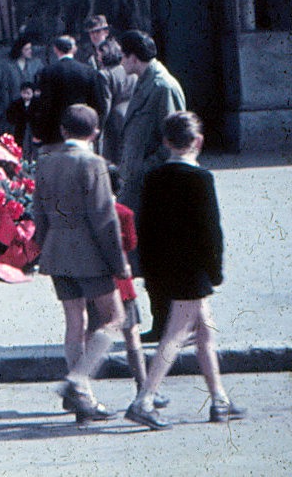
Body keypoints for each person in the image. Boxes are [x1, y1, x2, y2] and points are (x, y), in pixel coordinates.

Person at [125, 111, 245, 430]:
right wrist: (215, 271)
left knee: (205, 330)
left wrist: (148, 270)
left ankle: (219, 398)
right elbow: (211, 230)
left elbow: (144, 227)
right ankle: (145, 399)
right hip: (192, 270)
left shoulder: (154, 177)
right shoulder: (201, 179)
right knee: (177, 334)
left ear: (166, 142)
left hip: (162, 267)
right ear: (199, 141)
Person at [31, 104, 129, 422]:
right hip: (90, 253)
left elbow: (39, 212)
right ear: (95, 132)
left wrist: (43, 247)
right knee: (114, 318)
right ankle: (78, 380)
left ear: (63, 131)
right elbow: (104, 219)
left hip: (56, 250)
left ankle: (82, 398)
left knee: (75, 321)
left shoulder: (45, 163)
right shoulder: (94, 163)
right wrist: (119, 263)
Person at [113, 29, 188, 343]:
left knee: (159, 258)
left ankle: (173, 323)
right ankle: (165, 322)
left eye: (122, 55)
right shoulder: (145, 82)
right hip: (139, 186)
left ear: (133, 56)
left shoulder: (161, 86)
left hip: (155, 188)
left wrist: (142, 168)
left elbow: (175, 140)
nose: (120, 61)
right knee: (147, 257)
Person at [107, 162, 159, 411]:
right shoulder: (125, 213)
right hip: (122, 284)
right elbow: (130, 245)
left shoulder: (89, 213)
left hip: (98, 283)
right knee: (132, 336)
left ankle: (80, 389)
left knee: (92, 334)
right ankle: (143, 386)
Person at [31, 36, 108, 150]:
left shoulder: (47, 72)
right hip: (83, 134)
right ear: (74, 49)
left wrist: (39, 133)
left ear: (55, 49)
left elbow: (43, 106)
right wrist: (95, 131)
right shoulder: (89, 72)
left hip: (54, 135)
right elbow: (99, 104)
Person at [97, 38, 136, 165]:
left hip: (114, 120)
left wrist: (99, 127)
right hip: (131, 114)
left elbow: (105, 104)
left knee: (113, 159)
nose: (98, 57)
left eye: (99, 54)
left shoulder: (105, 74)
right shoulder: (129, 70)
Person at [0, 36, 41, 133]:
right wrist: (7, 108)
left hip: (32, 106)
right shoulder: (8, 66)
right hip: (15, 105)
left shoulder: (36, 63)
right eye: (27, 49)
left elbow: (42, 81)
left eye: (30, 48)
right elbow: (5, 88)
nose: (30, 51)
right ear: (20, 50)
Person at [6, 82, 38, 155]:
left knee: (33, 147)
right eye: (24, 93)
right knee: (20, 145)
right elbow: (10, 115)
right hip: (20, 129)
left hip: (33, 129)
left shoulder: (37, 103)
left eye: (28, 93)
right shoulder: (16, 104)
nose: (26, 96)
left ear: (33, 93)